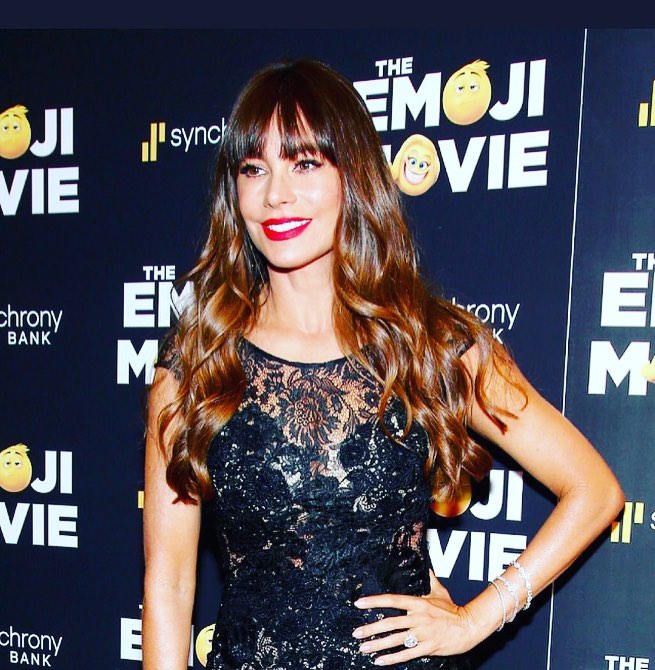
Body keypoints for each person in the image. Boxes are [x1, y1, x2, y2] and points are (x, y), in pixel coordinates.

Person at [142, 58, 624, 670]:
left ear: (354, 174)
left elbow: (593, 489)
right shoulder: (197, 364)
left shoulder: (431, 342)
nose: (275, 194)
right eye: (253, 168)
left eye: (305, 163)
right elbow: (168, 586)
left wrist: (479, 617)